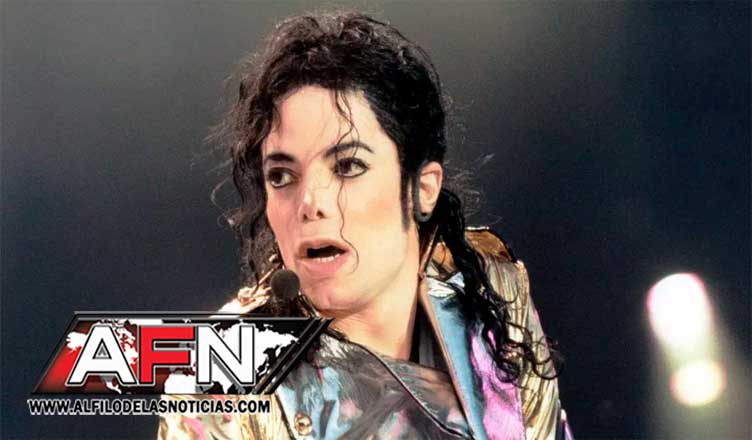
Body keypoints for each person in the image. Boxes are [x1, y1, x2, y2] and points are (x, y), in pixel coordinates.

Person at [159, 10, 572, 440]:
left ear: (422, 188)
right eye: (281, 176)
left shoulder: (493, 297)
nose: (310, 202)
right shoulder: (222, 373)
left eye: (347, 166)